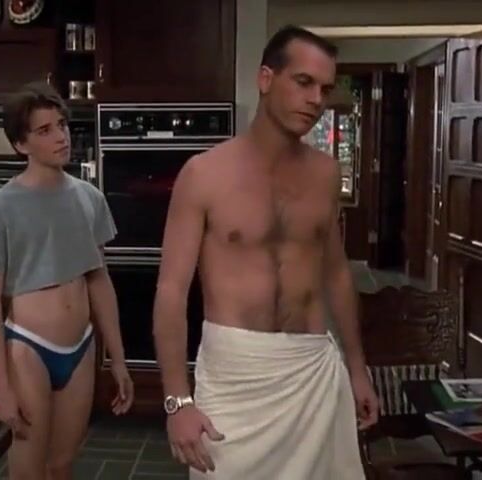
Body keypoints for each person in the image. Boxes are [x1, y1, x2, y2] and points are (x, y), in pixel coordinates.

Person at [152, 25, 378, 479]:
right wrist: (177, 400)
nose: (316, 99)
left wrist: (357, 368)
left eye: (325, 89)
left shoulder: (325, 174)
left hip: (312, 371)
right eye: (304, 82)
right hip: (235, 377)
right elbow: (171, 292)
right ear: (265, 78)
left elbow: (336, 273)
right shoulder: (204, 174)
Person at [0, 82, 134, 480]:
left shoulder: (90, 199)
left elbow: (99, 281)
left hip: (82, 346)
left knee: (61, 465)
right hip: (28, 348)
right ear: (21, 145)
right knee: (28, 469)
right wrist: (1, 387)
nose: (60, 137)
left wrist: (118, 360)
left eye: (62, 125)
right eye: (45, 130)